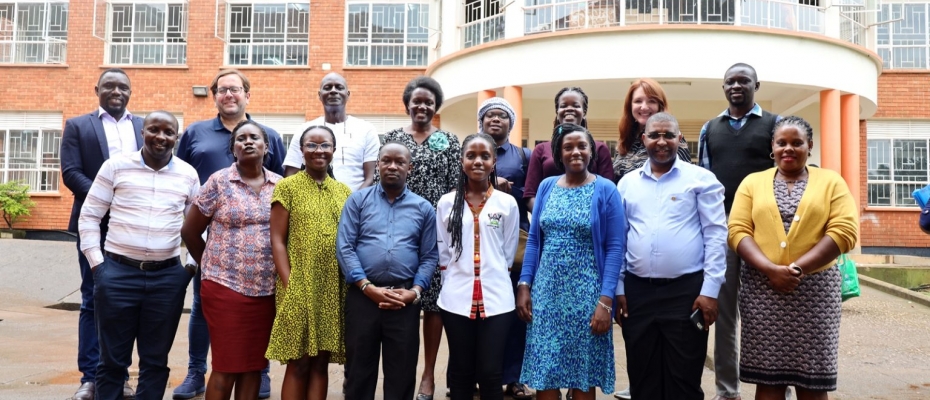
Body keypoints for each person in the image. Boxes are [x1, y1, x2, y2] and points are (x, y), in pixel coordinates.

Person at [728, 116, 858, 400]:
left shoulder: (831, 181)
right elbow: (737, 230)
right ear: (772, 147)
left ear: (809, 146)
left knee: (812, 381)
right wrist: (770, 269)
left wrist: (796, 269)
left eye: (797, 143)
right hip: (763, 291)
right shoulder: (752, 182)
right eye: (782, 143)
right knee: (768, 379)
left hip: (815, 292)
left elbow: (845, 231)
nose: (789, 148)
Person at [174, 69, 285, 399]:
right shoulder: (218, 182)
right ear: (232, 148)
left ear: (267, 147)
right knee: (226, 364)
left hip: (266, 289)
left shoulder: (281, 187)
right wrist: (207, 264)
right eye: (241, 139)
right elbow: (191, 229)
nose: (248, 142)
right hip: (224, 284)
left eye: (255, 139)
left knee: (252, 365)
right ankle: (195, 372)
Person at [78, 111, 200, 400]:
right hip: (117, 274)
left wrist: (190, 268)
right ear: (142, 132)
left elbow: (199, 226)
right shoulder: (116, 167)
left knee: (156, 361)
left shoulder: (188, 174)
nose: (161, 136)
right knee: (111, 362)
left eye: (168, 132)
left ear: (176, 137)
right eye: (154, 130)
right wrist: (98, 266)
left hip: (167, 277)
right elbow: (89, 216)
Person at [615, 113, 727, 399]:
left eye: (668, 135)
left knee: (683, 380)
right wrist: (618, 288)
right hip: (637, 293)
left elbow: (716, 236)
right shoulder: (627, 183)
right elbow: (620, 238)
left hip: (686, 293)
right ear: (644, 140)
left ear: (680, 139)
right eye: (654, 135)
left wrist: (710, 291)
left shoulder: (701, 179)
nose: (661, 141)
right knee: (642, 379)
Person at [517, 123, 626, 400]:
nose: (575, 152)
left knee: (582, 377)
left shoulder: (606, 189)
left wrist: (606, 301)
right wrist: (525, 284)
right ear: (558, 153)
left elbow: (615, 248)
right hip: (547, 294)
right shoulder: (545, 187)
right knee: (546, 373)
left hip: (587, 296)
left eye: (582, 146)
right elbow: (534, 240)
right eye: (568, 147)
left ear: (592, 152)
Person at [697, 62, 782, 400]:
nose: (736, 86)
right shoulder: (709, 128)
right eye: (730, 81)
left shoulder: (775, 125)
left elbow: (785, 176)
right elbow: (706, 183)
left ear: (756, 85)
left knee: (769, 314)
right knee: (726, 315)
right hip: (724, 232)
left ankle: (779, 386)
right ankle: (727, 390)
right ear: (723, 87)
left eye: (743, 80)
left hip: (765, 233)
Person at [60, 67, 143, 400]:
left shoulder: (143, 126)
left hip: (132, 226)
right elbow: (71, 173)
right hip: (93, 222)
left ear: (130, 92)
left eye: (123, 87)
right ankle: (91, 377)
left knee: (123, 303)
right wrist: (105, 200)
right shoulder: (79, 126)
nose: (116, 91)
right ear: (97, 89)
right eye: (109, 85)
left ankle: (119, 375)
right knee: (92, 298)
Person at [336, 141, 439, 400]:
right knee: (359, 372)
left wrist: (414, 292)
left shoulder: (423, 208)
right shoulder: (357, 200)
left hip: (403, 300)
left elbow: (429, 256)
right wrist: (366, 287)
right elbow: (345, 247)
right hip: (362, 297)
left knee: (402, 373)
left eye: (399, 162)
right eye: (386, 161)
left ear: (410, 168)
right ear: (378, 164)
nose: (392, 166)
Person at [379, 76, 460, 400]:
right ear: (408, 104)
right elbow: (378, 182)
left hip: (437, 232)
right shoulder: (393, 138)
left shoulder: (448, 141)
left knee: (434, 303)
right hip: (398, 230)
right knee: (403, 299)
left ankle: (428, 375)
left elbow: (457, 187)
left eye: (429, 101)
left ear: (435, 106)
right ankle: (402, 375)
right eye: (417, 100)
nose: (422, 106)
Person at [266, 125, 352, 399]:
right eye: (311, 146)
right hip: (298, 283)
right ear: (301, 151)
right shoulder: (287, 186)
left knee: (320, 361)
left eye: (324, 145)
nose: (318, 151)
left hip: (331, 286)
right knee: (299, 360)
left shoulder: (344, 192)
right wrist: (291, 284)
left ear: (334, 151)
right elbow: (277, 240)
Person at [437, 133, 519, 400]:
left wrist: (490, 274)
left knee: (490, 372)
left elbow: (508, 253)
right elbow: (444, 251)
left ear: (494, 162)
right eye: (471, 155)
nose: (478, 161)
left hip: (497, 300)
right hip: (456, 299)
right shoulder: (447, 203)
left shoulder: (506, 203)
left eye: (485, 156)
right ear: (462, 162)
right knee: (461, 372)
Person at [476, 98, 533, 400]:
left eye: (502, 116)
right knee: (477, 313)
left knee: (514, 312)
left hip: (513, 242)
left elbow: (532, 193)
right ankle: (478, 377)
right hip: (477, 240)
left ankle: (515, 378)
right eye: (489, 116)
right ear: (481, 122)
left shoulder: (523, 155)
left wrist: (512, 189)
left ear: (511, 123)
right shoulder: (472, 151)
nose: (495, 120)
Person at [282, 72, 380, 191]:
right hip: (311, 205)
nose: (333, 91)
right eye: (327, 88)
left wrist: (353, 204)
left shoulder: (366, 129)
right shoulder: (305, 130)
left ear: (347, 94)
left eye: (339, 87)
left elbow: (371, 177)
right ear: (319, 95)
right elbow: (291, 174)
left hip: (358, 205)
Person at [524, 87, 613, 212]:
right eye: (563, 105)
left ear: (584, 111)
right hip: (550, 224)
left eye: (576, 105)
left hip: (590, 223)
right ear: (557, 111)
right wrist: (550, 218)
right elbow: (530, 195)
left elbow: (607, 193)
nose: (569, 108)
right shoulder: (541, 149)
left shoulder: (600, 149)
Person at [613, 78, 691, 182]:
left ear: (660, 106)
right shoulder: (624, 141)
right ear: (630, 106)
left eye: (651, 101)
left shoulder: (672, 137)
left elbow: (681, 179)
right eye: (638, 101)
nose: (644, 107)